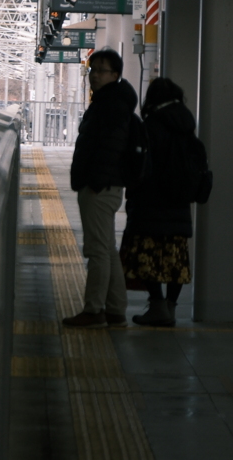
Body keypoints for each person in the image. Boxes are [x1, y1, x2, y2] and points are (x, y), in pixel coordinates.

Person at [63, 49, 139, 328]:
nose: (94, 75)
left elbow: (108, 148)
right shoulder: (113, 102)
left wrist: (94, 181)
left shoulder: (110, 106)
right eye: (92, 69)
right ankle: (116, 309)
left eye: (101, 70)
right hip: (106, 184)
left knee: (96, 250)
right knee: (106, 249)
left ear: (115, 75)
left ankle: (94, 309)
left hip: (100, 186)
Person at [120, 78, 195, 327]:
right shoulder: (186, 124)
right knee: (175, 259)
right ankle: (170, 309)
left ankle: (157, 306)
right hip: (179, 203)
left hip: (149, 202)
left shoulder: (149, 125)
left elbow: (139, 164)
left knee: (146, 255)